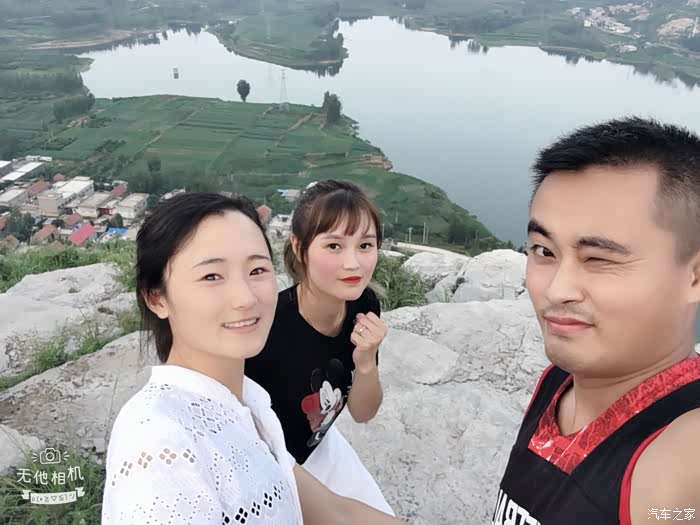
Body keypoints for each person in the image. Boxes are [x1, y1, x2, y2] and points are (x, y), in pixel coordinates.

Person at [102, 192, 405, 524]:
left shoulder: (250, 406)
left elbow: (333, 509)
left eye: (257, 269)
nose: (245, 298)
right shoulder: (159, 445)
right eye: (212, 276)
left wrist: (366, 361)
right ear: (157, 298)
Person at [492, 117, 700, 525]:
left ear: (694, 276)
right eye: (544, 251)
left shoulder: (679, 459)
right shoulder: (558, 382)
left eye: (599, 259)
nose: (556, 290)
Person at [245, 179, 394, 514]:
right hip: (268, 469)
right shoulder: (267, 330)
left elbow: (363, 413)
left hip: (319, 450)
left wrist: (366, 361)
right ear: (300, 248)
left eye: (365, 245)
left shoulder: (363, 305)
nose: (353, 263)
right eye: (334, 246)